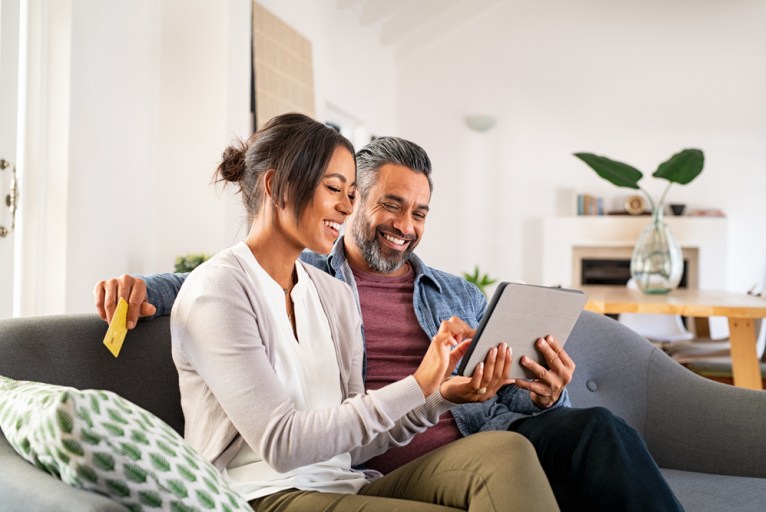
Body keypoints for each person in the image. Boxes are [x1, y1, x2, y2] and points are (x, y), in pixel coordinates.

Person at [96, 135, 683, 511]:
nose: (403, 223)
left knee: (570, 435)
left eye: (420, 212)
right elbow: (222, 284)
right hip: (292, 480)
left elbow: (484, 398)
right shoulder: (259, 281)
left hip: (423, 448)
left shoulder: (350, 295)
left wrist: (531, 395)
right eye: (382, 202)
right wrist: (143, 290)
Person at [161, 112, 558, 511]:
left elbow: (360, 441)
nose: (347, 206)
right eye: (334, 188)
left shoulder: (332, 295)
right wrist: (418, 383)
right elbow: (281, 444)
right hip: (259, 495)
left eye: (352, 192)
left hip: (344, 482)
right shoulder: (218, 291)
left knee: (507, 450)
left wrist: (440, 396)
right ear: (276, 186)